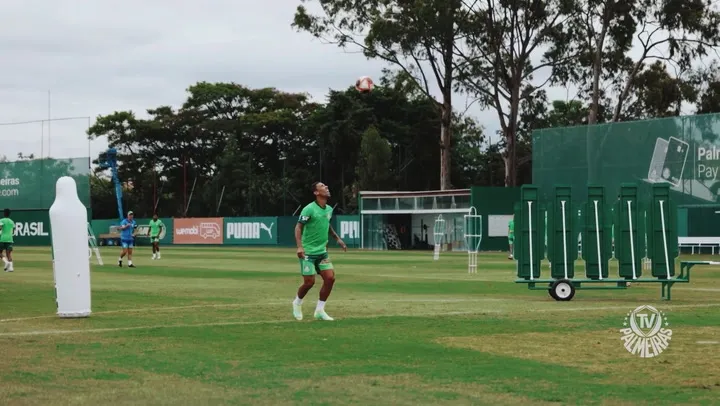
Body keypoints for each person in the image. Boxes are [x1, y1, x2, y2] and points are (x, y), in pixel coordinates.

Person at [293, 181, 347, 321]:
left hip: (322, 252)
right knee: (309, 282)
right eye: (323, 186)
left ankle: (320, 310)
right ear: (316, 193)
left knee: (330, 278)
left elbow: (326, 225)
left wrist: (337, 239)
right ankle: (297, 303)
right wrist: (299, 246)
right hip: (308, 252)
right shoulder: (309, 209)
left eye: (326, 186)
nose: (327, 187)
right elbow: (298, 227)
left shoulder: (328, 209)